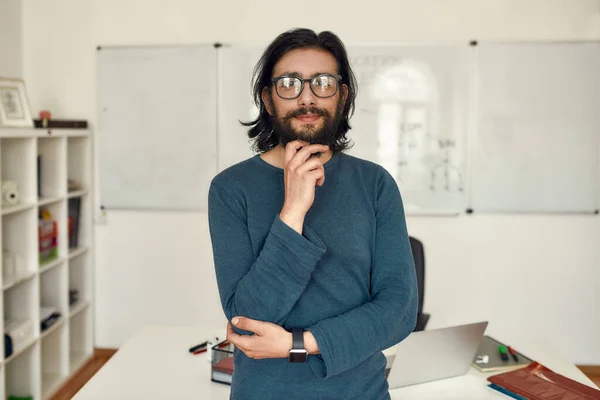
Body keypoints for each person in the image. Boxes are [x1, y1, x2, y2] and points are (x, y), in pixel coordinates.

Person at [207, 28, 418, 400]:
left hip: (362, 392)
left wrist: (296, 343)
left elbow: (399, 310)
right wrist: (293, 210)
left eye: (322, 83)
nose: (307, 97)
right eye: (289, 84)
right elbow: (247, 318)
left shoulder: (375, 184)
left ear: (342, 96)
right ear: (268, 99)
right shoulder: (230, 189)